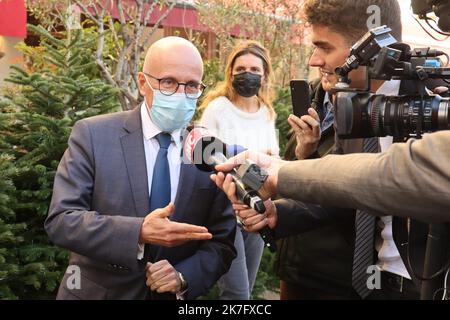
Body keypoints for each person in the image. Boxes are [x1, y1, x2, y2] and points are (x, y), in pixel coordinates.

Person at [213, 0, 449, 300]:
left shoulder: (436, 103)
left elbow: (397, 177)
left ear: (370, 48)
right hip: (371, 286)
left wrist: (280, 173)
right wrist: (277, 213)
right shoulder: (352, 107)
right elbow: (342, 187)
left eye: (324, 47)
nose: (313, 60)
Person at [45, 36, 237, 300]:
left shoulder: (209, 150)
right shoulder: (93, 135)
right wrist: (138, 232)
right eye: (168, 82)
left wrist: (183, 276)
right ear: (143, 83)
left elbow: (222, 242)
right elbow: (62, 220)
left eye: (192, 85)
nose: (181, 94)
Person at [199, 40, 279, 299]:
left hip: (254, 212)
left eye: (255, 69)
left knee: (248, 285)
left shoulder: (267, 113)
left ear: (265, 74)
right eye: (241, 68)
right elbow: (202, 161)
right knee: (237, 293)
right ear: (231, 73)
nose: (248, 74)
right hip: (225, 215)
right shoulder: (218, 110)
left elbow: (272, 159)